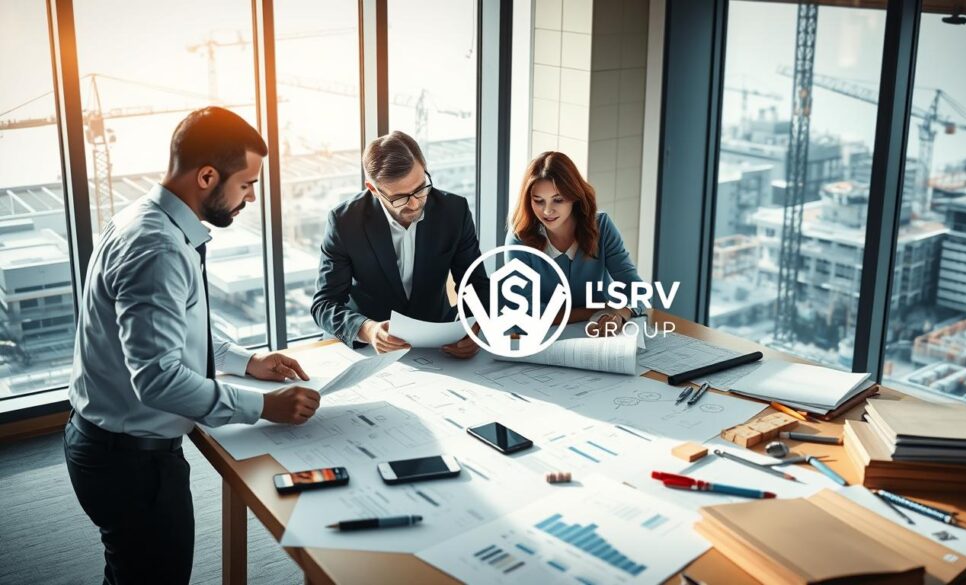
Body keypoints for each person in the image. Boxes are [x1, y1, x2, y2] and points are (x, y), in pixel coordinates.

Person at [64, 107, 321, 585]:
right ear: (207, 176)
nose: (250, 197)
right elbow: (157, 379)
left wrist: (247, 360)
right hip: (130, 463)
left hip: (111, 447)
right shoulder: (158, 248)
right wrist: (264, 405)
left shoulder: (147, 220)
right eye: (246, 184)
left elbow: (177, 328)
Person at [311, 130, 488, 357]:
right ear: (373, 189)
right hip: (370, 350)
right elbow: (324, 304)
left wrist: (474, 328)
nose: (415, 204)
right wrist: (367, 329)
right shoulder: (345, 221)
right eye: (400, 197)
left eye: (420, 188)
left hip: (438, 345)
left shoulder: (454, 211)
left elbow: (477, 284)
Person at [506, 151, 646, 335]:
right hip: (543, 341)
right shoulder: (519, 239)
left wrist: (619, 315)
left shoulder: (601, 227)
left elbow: (637, 292)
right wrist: (598, 309)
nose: (547, 211)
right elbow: (528, 312)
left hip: (600, 338)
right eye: (538, 201)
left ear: (574, 196)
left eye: (558, 200)